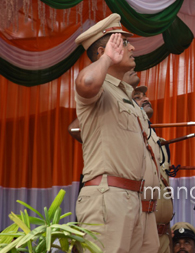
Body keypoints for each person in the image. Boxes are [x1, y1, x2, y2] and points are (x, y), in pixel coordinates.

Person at [74, 14, 159, 253]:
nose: (131, 47)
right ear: (103, 52)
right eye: (122, 42)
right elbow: (87, 82)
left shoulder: (129, 98)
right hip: (108, 197)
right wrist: (107, 60)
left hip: (137, 202)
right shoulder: (100, 89)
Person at [133, 85, 175, 253]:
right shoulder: (124, 136)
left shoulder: (161, 141)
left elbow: (165, 190)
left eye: (145, 95)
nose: (146, 99)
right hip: (139, 234)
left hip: (163, 233)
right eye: (137, 97)